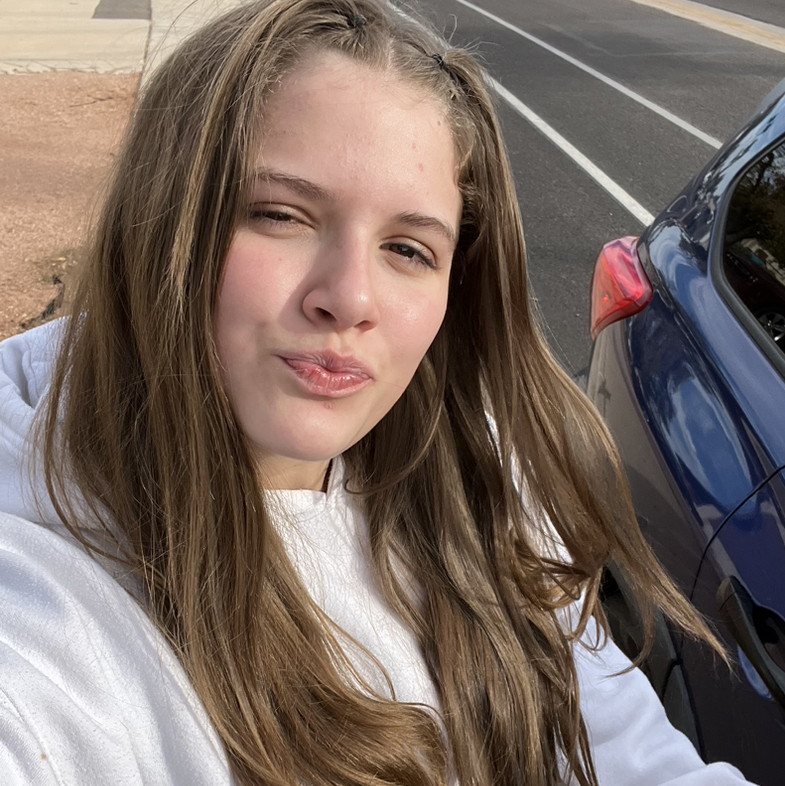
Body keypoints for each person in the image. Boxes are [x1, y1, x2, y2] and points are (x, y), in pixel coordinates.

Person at [0, 1, 756, 785]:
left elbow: (631, 752)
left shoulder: (478, 469)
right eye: (280, 215)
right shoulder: (45, 607)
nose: (350, 298)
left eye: (407, 248)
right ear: (159, 218)